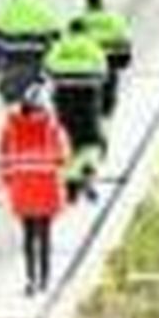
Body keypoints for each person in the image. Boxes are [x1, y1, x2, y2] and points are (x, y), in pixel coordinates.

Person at [0, 84, 71, 293]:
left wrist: (9, 182)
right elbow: (62, 157)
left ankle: (30, 279)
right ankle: (45, 279)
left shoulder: (11, 127)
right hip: (47, 189)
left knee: (28, 236)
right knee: (45, 236)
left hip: (22, 189)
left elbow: (5, 159)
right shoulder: (52, 127)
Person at [43, 16, 111, 201]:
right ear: (85, 31)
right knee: (91, 141)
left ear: (70, 31)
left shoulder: (60, 46)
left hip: (64, 99)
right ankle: (86, 171)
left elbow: (47, 69)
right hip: (87, 99)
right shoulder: (93, 47)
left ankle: (70, 181)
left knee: (68, 140)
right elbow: (104, 73)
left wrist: (63, 77)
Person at [0, 0, 64, 104]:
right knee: (36, 104)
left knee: (13, 106)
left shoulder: (6, 10)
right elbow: (57, 42)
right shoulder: (43, 8)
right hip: (36, 64)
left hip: (11, 66)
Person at [77, 0, 134, 117]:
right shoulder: (114, 17)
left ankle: (90, 106)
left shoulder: (81, 19)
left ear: (87, 2)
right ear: (101, 1)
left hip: (89, 57)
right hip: (111, 54)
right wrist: (126, 55)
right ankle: (108, 107)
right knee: (111, 79)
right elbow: (124, 36)